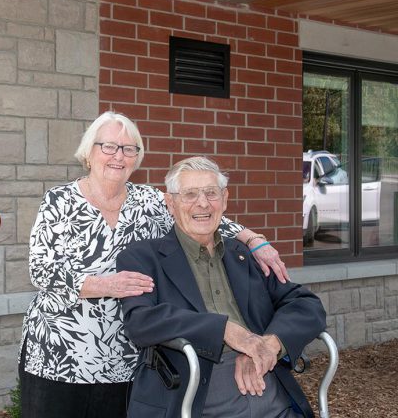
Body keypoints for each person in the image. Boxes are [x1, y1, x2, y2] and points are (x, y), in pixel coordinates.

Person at [18, 112, 290, 418]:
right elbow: (40, 269)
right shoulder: (59, 201)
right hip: (61, 353)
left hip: (124, 354)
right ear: (89, 152)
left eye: (128, 149)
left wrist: (256, 240)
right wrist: (104, 285)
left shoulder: (148, 199)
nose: (118, 156)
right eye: (109, 147)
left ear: (136, 157)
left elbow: (203, 211)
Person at [117, 156, 326, 418]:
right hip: (195, 395)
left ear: (225, 199)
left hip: (272, 395)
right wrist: (227, 331)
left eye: (211, 193)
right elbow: (141, 322)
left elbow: (307, 304)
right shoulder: (143, 257)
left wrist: (269, 345)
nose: (202, 203)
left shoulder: (245, 255)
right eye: (190, 194)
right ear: (170, 203)